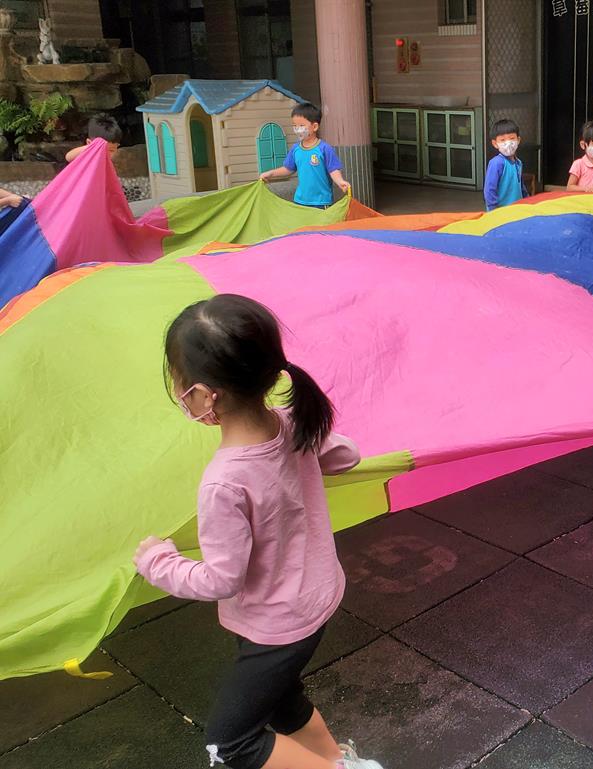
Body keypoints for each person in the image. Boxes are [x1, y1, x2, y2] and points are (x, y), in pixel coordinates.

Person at [133, 294, 380, 769]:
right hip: (314, 598)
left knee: (230, 743)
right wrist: (313, 447)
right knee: (283, 702)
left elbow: (221, 579)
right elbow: (346, 456)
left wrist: (157, 561)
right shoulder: (289, 423)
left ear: (205, 395)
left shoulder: (224, 483)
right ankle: (338, 759)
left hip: (276, 624)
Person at [259, 103, 351, 209]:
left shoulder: (324, 149)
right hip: (300, 201)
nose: (297, 129)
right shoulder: (295, 149)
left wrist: (340, 181)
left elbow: (333, 170)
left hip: (321, 202)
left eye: (301, 126)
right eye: (295, 126)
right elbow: (288, 169)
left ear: (315, 126)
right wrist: (270, 173)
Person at [483, 118, 527, 211]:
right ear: (495, 143)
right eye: (502, 140)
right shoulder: (496, 163)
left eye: (512, 138)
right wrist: (494, 211)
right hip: (501, 212)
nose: (508, 143)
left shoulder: (518, 163)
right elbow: (489, 189)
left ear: (518, 140)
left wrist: (527, 201)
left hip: (517, 210)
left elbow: (521, 186)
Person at [566, 120, 593, 192]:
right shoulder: (578, 164)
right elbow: (569, 187)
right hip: (583, 199)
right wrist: (585, 189)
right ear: (583, 145)